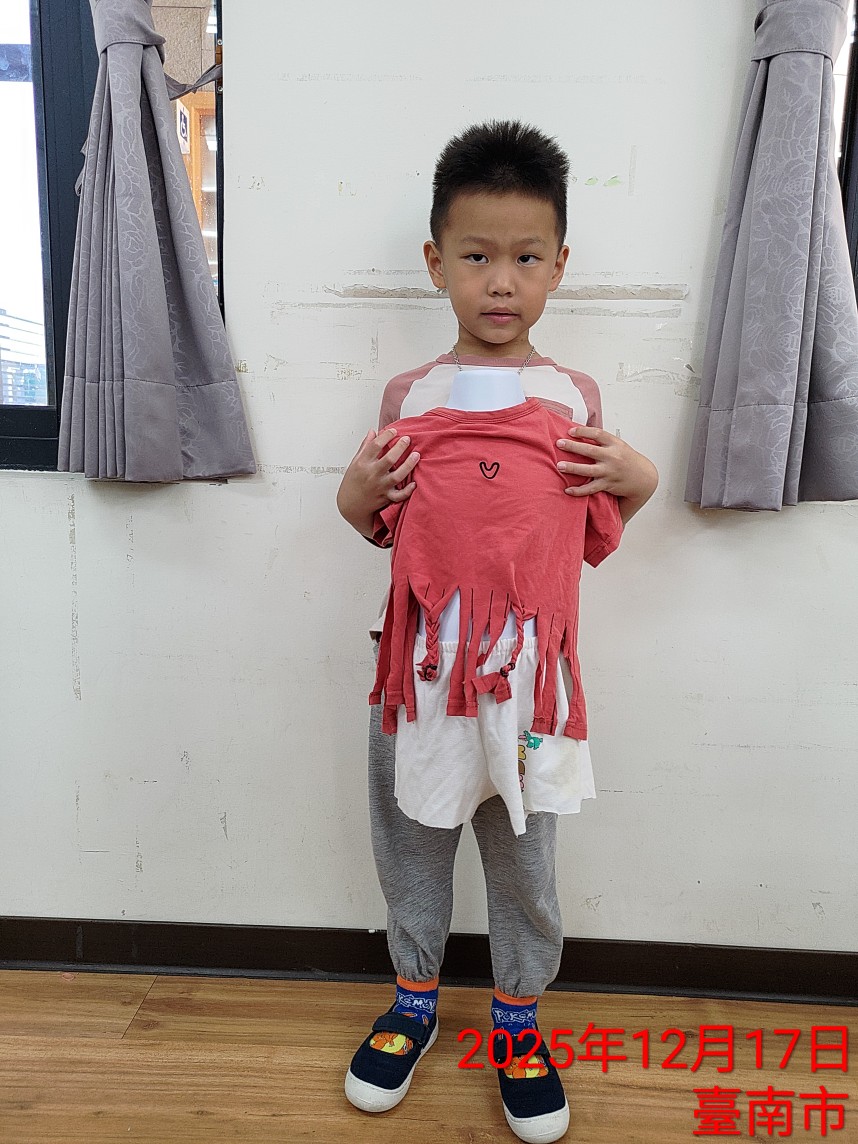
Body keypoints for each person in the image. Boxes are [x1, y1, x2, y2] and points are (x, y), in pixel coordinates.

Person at [336, 119, 658, 1143]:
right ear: (437, 263)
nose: (501, 282)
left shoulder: (573, 399)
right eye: (477, 257)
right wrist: (352, 492)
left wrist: (640, 478)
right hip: (420, 672)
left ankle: (518, 1019)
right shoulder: (409, 395)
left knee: (526, 857)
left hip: (528, 683)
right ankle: (414, 1001)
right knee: (412, 844)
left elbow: (592, 536)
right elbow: (378, 523)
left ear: (559, 265)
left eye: (525, 258)